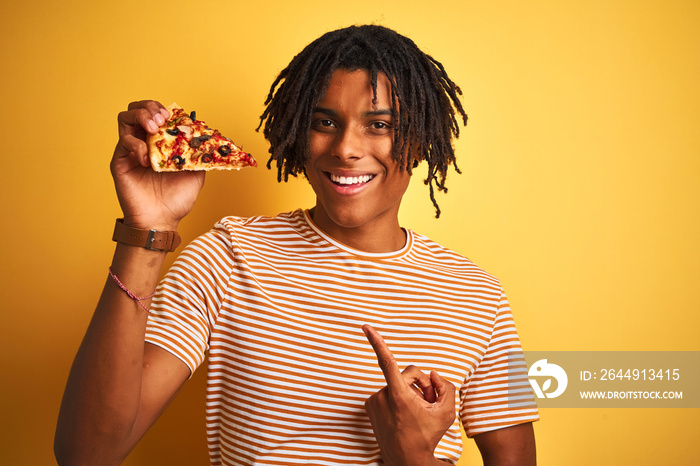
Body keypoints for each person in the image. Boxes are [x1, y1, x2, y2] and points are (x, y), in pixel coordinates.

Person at [55, 25, 538, 465]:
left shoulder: (479, 296)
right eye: (324, 122)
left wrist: (412, 455)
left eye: (380, 124)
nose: (346, 147)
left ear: (421, 139)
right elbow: (86, 453)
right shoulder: (227, 257)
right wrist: (146, 231)